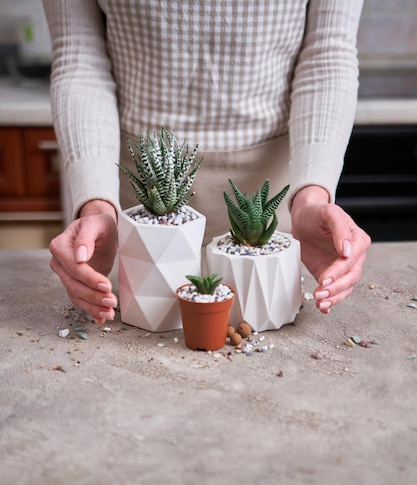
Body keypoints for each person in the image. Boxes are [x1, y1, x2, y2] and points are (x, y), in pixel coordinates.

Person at [42, 0, 371, 325]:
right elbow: (80, 57)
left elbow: (327, 53)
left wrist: (311, 197)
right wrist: (97, 206)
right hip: (138, 212)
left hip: (279, 202)